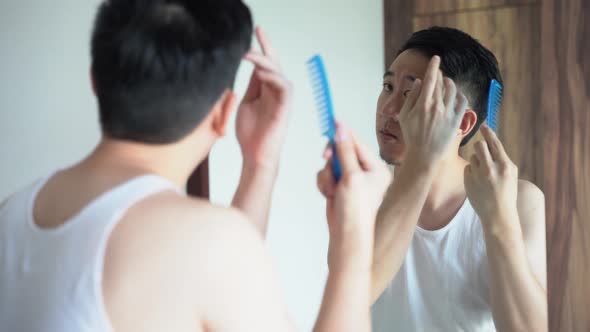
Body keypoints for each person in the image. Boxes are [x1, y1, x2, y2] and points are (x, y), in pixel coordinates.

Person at [0, 1, 392, 331]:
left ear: (95, 81)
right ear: (224, 112)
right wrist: (354, 238)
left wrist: (260, 163)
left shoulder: (13, 212)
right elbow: (218, 261)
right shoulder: (209, 243)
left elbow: (220, 281)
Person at [318, 27, 547, 331]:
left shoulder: (519, 201)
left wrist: (499, 221)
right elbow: (351, 300)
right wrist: (420, 162)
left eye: (411, 95)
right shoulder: (364, 193)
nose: (389, 109)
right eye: (388, 86)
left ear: (463, 122)